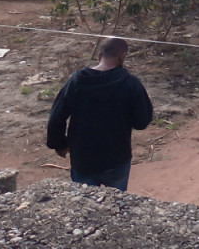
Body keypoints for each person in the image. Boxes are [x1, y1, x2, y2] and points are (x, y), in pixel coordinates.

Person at [46, 37, 153, 191]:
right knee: (115, 206)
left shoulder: (77, 81)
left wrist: (59, 144)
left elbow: (56, 117)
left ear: (99, 55)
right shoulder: (130, 83)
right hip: (116, 159)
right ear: (122, 56)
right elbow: (141, 122)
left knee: (85, 207)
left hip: (83, 159)